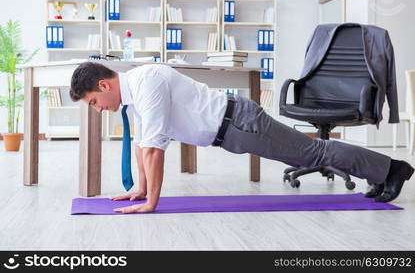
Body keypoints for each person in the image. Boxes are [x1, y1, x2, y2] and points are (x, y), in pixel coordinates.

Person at [69, 62, 414, 213]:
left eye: (94, 103)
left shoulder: (148, 83)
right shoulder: (135, 96)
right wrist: (140, 190)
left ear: (103, 85)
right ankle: (382, 172)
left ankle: (392, 169)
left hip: (241, 123)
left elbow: (155, 149)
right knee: (311, 153)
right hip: (234, 130)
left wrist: (151, 204)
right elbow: (145, 144)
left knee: (312, 153)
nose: (98, 109)